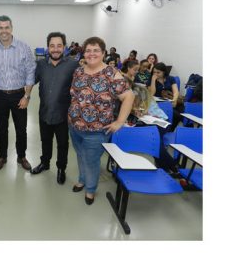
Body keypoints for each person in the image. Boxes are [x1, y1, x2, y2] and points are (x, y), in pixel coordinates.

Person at [68, 36, 134, 205]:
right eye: (88, 50)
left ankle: (90, 190)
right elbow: (75, 95)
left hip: (97, 131)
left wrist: (119, 122)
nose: (91, 54)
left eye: (96, 50)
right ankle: (82, 180)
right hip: (75, 126)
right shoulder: (79, 71)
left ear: (103, 53)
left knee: (91, 161)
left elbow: (129, 96)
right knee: (81, 156)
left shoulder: (111, 74)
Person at [0, 15, 36, 171]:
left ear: (11, 28)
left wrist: (27, 96)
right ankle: (2, 156)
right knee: (2, 129)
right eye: (1, 28)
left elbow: (30, 72)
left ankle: (21, 156)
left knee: (21, 129)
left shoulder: (23, 47)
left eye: (7, 27)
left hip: (19, 94)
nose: (4, 31)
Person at [31, 32, 79, 184]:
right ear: (48, 48)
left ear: (64, 47)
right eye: (52, 46)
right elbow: (30, 80)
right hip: (44, 112)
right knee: (45, 140)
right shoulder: (41, 65)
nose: (55, 49)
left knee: (63, 144)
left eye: (59, 46)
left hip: (63, 114)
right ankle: (45, 163)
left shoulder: (73, 65)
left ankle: (61, 169)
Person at [130, 84, 180, 177]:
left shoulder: (143, 98)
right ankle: (168, 167)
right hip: (151, 122)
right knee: (156, 143)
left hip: (161, 123)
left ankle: (172, 166)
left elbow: (143, 110)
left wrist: (137, 111)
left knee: (154, 142)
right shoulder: (140, 96)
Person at [148, 62, 183, 131]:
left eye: (158, 72)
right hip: (158, 104)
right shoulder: (151, 79)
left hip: (170, 101)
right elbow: (152, 93)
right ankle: (168, 129)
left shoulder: (170, 78)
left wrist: (175, 100)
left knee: (182, 112)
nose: (156, 74)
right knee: (176, 115)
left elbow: (176, 91)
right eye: (154, 72)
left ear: (164, 72)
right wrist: (153, 80)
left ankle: (171, 129)